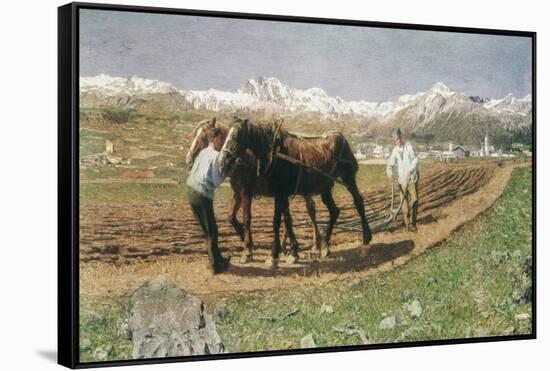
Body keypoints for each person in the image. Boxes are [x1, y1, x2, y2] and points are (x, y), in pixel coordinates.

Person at [186, 126, 231, 274]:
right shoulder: (215, 156)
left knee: (207, 230)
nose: (223, 143)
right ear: (217, 139)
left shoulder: (203, 152)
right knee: (212, 231)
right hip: (202, 194)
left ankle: (216, 260)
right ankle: (216, 266)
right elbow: (217, 181)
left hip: (191, 190)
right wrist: (227, 171)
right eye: (222, 140)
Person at [386, 128, 419, 232]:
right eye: (396, 139)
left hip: (411, 179)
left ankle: (413, 222)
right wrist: (390, 175)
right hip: (402, 181)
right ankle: (408, 225)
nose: (398, 140)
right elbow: (389, 165)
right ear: (394, 140)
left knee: (414, 200)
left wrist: (410, 171)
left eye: (399, 138)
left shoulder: (408, 146)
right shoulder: (395, 151)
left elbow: (415, 159)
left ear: (402, 137)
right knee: (404, 204)